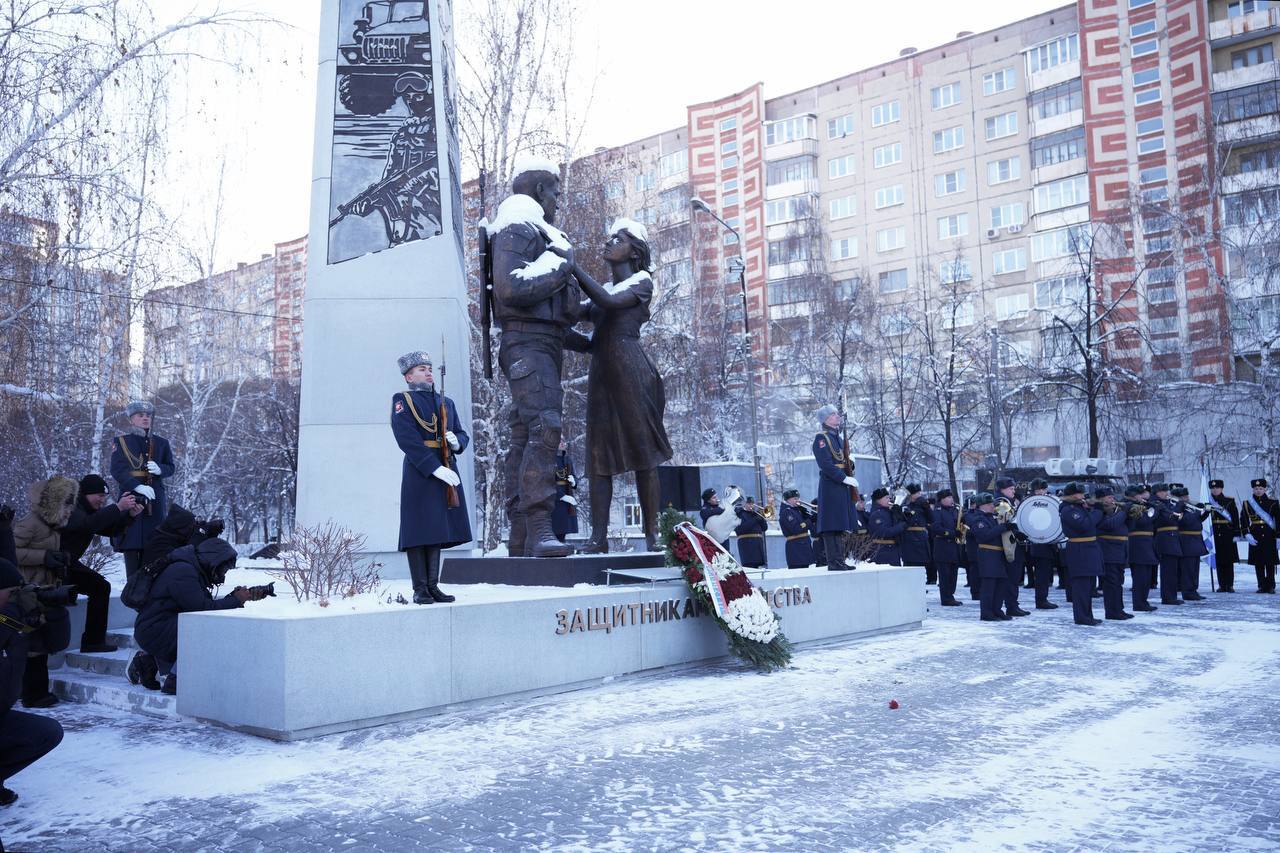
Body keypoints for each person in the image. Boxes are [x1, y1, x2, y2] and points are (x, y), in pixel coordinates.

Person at [556, 219, 673, 553]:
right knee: (598, 458)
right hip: (603, 376)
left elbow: (607, 302)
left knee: (643, 453)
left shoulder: (641, 282)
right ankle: (599, 538)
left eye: (617, 238)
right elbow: (587, 332)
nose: (608, 242)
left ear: (634, 250)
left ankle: (652, 535)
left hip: (632, 373)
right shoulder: (605, 291)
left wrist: (573, 266)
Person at [488, 155, 583, 558]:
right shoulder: (518, 227)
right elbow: (510, 290)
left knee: (526, 434)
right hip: (526, 345)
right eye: (555, 194)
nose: (558, 202)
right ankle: (540, 525)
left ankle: (522, 534)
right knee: (545, 428)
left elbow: (554, 315)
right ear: (540, 191)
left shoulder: (536, 232)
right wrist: (561, 270)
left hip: (541, 343)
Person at [134, 538, 268, 695]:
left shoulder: (191, 569)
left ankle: (147, 662)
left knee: (202, 624)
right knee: (203, 628)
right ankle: (177, 679)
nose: (222, 575)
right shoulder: (183, 571)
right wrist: (236, 600)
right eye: (222, 569)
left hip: (159, 626)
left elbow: (201, 605)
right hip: (154, 630)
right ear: (213, 560)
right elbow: (201, 609)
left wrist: (234, 598)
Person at [391, 351, 472, 605]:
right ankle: (420, 588)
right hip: (421, 470)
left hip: (447, 466)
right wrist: (434, 468)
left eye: (429, 368)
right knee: (418, 529)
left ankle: (433, 586)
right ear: (408, 376)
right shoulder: (402, 400)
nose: (428, 372)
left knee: (437, 528)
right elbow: (407, 438)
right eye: (421, 369)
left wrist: (456, 442)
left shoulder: (446, 402)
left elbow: (461, 432)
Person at [125, 504, 224, 690]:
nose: (193, 530)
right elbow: (187, 553)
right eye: (190, 527)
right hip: (158, 603)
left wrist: (205, 531)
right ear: (181, 529)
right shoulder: (162, 545)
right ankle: (164, 670)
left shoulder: (168, 537)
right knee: (190, 628)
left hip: (163, 603)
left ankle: (147, 662)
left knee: (177, 630)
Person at [0, 557, 64, 807]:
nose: (16, 597)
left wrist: (54, 613)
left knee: (46, 732)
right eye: (12, 593)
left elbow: (52, 645)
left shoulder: (9, 623)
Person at [10, 477, 78, 708]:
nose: (70, 509)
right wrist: (44, 558)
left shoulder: (53, 526)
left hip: (43, 591)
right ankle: (34, 694)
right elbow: (12, 552)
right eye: (65, 504)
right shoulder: (30, 524)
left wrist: (58, 561)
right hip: (27, 593)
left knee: (41, 642)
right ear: (53, 504)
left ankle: (33, 692)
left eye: (71, 504)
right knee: (32, 644)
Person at [59, 475, 141, 653]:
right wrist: (118, 507)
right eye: (99, 495)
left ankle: (93, 641)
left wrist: (129, 516)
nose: (103, 500)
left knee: (100, 587)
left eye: (105, 497)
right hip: (56, 564)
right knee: (99, 587)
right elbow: (88, 525)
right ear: (85, 494)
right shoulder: (71, 508)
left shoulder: (87, 511)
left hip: (67, 563)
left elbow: (110, 530)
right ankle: (92, 642)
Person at [109, 400, 175, 580]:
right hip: (131, 498)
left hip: (155, 499)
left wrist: (160, 469)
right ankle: (133, 592)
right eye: (140, 415)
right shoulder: (121, 442)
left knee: (154, 548)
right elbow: (117, 470)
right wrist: (136, 486)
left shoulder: (161, 443)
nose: (145, 418)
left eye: (148, 415)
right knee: (131, 544)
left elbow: (171, 467)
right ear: (132, 419)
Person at [812, 406, 860, 571]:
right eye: (833, 414)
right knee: (831, 524)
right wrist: (843, 478)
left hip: (840, 485)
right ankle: (833, 562)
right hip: (831, 484)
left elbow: (842, 460)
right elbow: (825, 464)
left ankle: (840, 560)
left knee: (839, 524)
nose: (837, 416)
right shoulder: (822, 438)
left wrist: (850, 463)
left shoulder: (838, 438)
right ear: (825, 419)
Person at [1059, 482, 1104, 626]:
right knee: (1081, 586)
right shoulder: (1068, 509)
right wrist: (1097, 511)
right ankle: (1081, 617)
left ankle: (1087, 615)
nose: (1083, 496)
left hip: (1087, 548)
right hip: (1079, 549)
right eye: (1079, 494)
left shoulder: (1078, 507)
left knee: (1089, 585)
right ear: (1072, 495)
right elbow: (1085, 525)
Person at [969, 493, 1010, 622]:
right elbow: (984, 535)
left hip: (998, 555)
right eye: (990, 504)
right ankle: (986, 613)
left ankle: (997, 610)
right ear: (983, 506)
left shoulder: (992, 517)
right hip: (987, 554)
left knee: (1000, 584)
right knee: (989, 586)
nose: (993, 506)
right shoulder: (977, 519)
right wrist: (1002, 528)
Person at [1095, 487, 1133, 620]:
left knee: (1118, 583)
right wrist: (1124, 512)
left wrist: (1130, 515)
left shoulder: (1116, 511)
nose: (1113, 499)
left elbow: (1126, 527)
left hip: (1119, 551)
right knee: (1111, 584)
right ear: (1101, 499)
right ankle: (1112, 612)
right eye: (1109, 497)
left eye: (1112, 497)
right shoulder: (1099, 511)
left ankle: (1119, 609)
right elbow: (1111, 525)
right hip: (1108, 551)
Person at [994, 477, 1030, 617]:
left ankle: (1013, 605)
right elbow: (1006, 523)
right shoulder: (1002, 503)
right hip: (1009, 544)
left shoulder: (1006, 502)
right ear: (1002, 489)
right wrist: (1017, 533)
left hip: (1011, 542)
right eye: (1011, 488)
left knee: (1014, 578)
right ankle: (1011, 606)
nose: (1014, 491)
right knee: (1011, 578)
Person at [1025, 479, 1058, 610]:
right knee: (1041, 574)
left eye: (1043, 490)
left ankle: (1043, 599)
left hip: (1048, 543)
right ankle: (1041, 600)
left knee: (1045, 574)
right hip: (1037, 543)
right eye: (1038, 490)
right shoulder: (1030, 503)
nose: (1041, 492)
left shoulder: (1049, 501)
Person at [1124, 484, 1158, 612]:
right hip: (1138, 543)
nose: (1142, 496)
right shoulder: (1131, 506)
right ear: (1134, 495)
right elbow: (1144, 521)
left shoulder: (1140, 505)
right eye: (1140, 494)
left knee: (1146, 576)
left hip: (1146, 542)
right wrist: (1155, 510)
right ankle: (1139, 603)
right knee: (1140, 577)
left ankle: (1143, 601)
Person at [1241, 477, 1278, 594]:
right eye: (1256, 488)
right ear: (1253, 489)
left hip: (1269, 535)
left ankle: (1271, 585)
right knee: (1259, 561)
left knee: (1270, 562)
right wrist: (1247, 534)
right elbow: (1244, 520)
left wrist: (1278, 536)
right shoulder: (1247, 503)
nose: (1258, 490)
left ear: (1265, 489)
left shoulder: (1273, 502)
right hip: (1255, 534)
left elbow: (1278, 520)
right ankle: (1261, 585)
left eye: (1261, 488)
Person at [1172, 485, 1208, 601]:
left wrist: (1206, 512)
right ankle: (1187, 592)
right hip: (1186, 540)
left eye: (1187, 496)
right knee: (1187, 569)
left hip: (1196, 540)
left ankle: (1193, 589)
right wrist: (1197, 512)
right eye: (1183, 496)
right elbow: (1186, 521)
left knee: (1194, 568)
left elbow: (1197, 521)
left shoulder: (1190, 508)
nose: (1186, 498)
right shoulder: (1177, 508)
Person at [1151, 483, 1184, 605]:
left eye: (1166, 491)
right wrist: (1179, 507)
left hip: (1172, 538)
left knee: (1172, 570)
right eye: (1164, 491)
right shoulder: (1156, 504)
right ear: (1157, 493)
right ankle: (1168, 597)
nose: (1166, 493)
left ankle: (1172, 596)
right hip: (1164, 539)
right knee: (1167, 571)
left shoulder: (1167, 503)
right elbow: (1169, 517)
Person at [928, 489, 962, 606]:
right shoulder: (937, 512)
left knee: (953, 574)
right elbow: (936, 528)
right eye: (949, 497)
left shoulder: (953, 511)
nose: (951, 499)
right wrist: (952, 533)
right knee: (945, 575)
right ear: (942, 499)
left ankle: (950, 595)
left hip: (953, 547)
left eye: (951, 497)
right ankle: (946, 598)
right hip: (942, 547)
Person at [1205, 479, 1239, 592]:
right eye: (1213, 488)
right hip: (1214, 534)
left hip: (1227, 533)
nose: (1215, 490)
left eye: (1217, 488)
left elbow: (1235, 518)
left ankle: (1229, 585)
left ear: (1221, 488)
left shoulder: (1229, 501)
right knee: (1218, 560)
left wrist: (1236, 533)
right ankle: (1221, 585)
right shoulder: (1207, 502)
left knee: (1228, 560)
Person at [900, 484, 932, 579]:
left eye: (919, 492)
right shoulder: (906, 507)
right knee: (910, 570)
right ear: (911, 495)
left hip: (921, 541)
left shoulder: (923, 506)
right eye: (917, 493)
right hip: (910, 542)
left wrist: (927, 507)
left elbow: (932, 519)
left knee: (921, 570)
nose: (920, 495)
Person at [867, 488, 904, 567]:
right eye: (886, 498)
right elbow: (884, 532)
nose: (889, 499)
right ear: (878, 500)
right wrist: (900, 526)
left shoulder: (889, 512)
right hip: (882, 551)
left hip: (893, 551)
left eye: (889, 497)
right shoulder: (876, 514)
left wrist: (899, 513)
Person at [551, 439, 579, 544]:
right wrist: (561, 496)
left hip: (567, 496)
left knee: (563, 530)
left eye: (564, 441)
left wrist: (573, 482)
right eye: (560, 440)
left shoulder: (567, 459)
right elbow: (549, 481)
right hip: (555, 498)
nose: (563, 443)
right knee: (556, 527)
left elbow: (574, 476)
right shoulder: (550, 460)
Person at [779, 490, 816, 569]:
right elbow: (796, 529)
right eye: (795, 499)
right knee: (798, 572)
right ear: (788, 500)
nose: (798, 501)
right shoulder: (786, 512)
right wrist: (809, 521)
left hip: (803, 546)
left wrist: (808, 516)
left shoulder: (796, 510)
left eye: (798, 498)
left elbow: (809, 527)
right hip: (796, 548)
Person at [733, 497, 768, 569]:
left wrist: (762, 519)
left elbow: (764, 528)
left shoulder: (755, 514)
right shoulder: (739, 514)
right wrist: (755, 519)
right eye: (749, 504)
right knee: (749, 566)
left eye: (752, 504)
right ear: (744, 504)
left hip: (758, 544)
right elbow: (741, 529)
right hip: (747, 545)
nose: (751, 506)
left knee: (757, 566)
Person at [963, 495, 981, 601]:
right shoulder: (968, 515)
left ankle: (978, 591)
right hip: (973, 547)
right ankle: (975, 592)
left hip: (978, 546)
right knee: (974, 571)